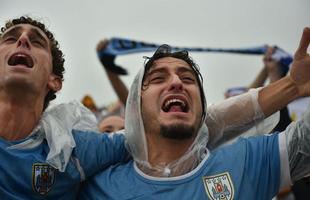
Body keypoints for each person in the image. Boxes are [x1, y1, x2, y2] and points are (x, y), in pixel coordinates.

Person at [80, 27, 310, 199]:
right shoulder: (97, 188)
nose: (177, 82)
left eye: (188, 78)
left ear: (202, 107)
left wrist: (293, 86)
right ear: (134, 108)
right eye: (159, 78)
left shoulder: (246, 164)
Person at [0, 16, 128, 199]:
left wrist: (110, 70)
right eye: (11, 39)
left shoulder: (71, 149)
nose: (23, 40)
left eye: (37, 42)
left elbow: (146, 131)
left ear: (54, 81)